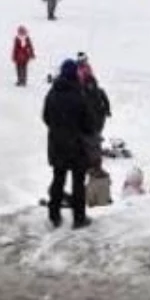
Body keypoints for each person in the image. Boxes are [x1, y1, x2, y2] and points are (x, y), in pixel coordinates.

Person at [43, 59, 96, 229]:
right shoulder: (79, 95)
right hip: (77, 147)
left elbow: (46, 117)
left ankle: (54, 215)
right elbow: (89, 124)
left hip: (57, 145)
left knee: (58, 180)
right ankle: (79, 218)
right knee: (77, 182)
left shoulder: (52, 93)